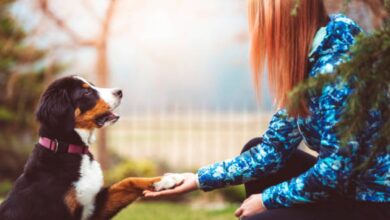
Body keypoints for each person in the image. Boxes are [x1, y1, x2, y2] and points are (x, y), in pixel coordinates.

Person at [144, 0, 390, 219]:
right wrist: (198, 179)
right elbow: (273, 149)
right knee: (254, 148)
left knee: (260, 216)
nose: (258, 32)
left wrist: (266, 200)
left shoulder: (337, 69)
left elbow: (333, 173)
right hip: (348, 188)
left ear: (281, 21)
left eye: (261, 22)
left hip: (374, 202)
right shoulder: (314, 56)